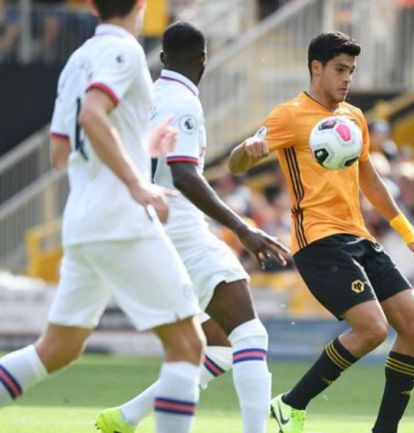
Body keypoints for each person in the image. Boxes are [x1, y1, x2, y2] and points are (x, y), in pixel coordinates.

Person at [0, 2, 207, 433]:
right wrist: (137, 182)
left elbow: (61, 153)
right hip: (121, 218)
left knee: (57, 348)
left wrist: (139, 147)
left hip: (83, 221)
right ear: (142, 5)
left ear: (92, 5)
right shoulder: (127, 50)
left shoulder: (77, 60)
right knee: (188, 345)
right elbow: (93, 115)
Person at [228, 31, 414, 433]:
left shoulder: (353, 117)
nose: (347, 79)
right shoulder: (288, 115)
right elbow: (238, 165)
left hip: (359, 238)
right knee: (373, 328)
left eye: (352, 72)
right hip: (318, 242)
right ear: (316, 69)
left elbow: (369, 179)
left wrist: (407, 231)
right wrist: (245, 150)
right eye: (340, 70)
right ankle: (291, 404)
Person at [94, 21, 291, 433]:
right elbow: (182, 173)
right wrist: (242, 227)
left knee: (213, 347)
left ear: (163, 57)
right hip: (180, 227)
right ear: (204, 59)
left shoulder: (146, 96)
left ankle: (126, 417)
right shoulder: (183, 102)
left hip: (146, 227)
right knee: (251, 335)